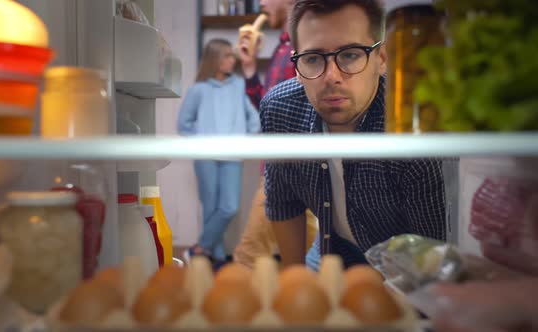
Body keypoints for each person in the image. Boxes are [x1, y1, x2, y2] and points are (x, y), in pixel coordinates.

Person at [261, 0, 446, 268]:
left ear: (381, 60)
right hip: (331, 246)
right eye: (313, 59)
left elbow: (431, 249)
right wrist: (295, 282)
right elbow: (283, 203)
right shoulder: (280, 111)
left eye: (349, 54)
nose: (331, 76)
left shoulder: (406, 126)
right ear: (297, 68)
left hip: (403, 259)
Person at [233, 0, 319, 269]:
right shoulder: (282, 47)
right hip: (283, 165)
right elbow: (267, 106)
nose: (261, 3)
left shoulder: (307, 45)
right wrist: (249, 68)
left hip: (288, 166)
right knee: (310, 261)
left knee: (248, 258)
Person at [177, 39, 260, 265]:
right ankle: (219, 258)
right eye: (227, 56)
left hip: (232, 156)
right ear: (214, 59)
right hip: (206, 157)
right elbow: (184, 124)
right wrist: (203, 139)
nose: (232, 60)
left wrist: (243, 139)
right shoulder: (198, 90)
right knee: (211, 208)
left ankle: (199, 249)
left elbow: (254, 119)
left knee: (228, 207)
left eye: (232, 56)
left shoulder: (239, 86)